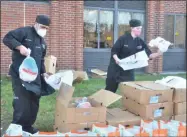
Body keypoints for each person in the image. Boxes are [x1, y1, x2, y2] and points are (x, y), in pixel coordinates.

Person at [3, 15, 55, 134]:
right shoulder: (24, 32)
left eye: (46, 28)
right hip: (20, 75)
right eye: (42, 27)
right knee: (22, 103)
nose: (44, 30)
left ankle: (28, 126)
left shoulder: (43, 43)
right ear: (35, 24)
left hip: (35, 77)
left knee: (33, 102)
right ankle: (17, 128)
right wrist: (19, 46)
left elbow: (41, 60)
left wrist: (44, 74)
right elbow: (7, 38)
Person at [105, 19, 162, 93]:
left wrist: (159, 53)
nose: (139, 30)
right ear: (132, 28)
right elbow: (114, 51)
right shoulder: (123, 39)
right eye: (137, 28)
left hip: (128, 70)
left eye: (141, 28)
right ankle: (101, 103)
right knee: (110, 90)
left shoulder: (140, 42)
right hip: (115, 68)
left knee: (130, 91)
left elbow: (149, 55)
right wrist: (117, 59)